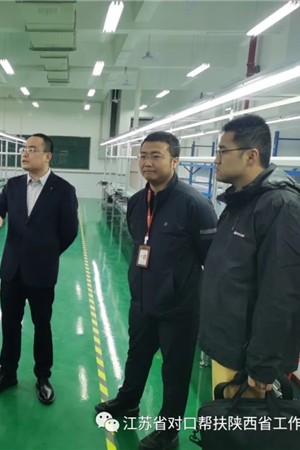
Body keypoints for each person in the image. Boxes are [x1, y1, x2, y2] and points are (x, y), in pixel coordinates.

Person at [95, 131, 218, 450]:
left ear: (175, 161)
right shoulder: (138, 202)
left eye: (156, 156)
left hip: (179, 306)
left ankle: (168, 429)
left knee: (175, 369)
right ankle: (128, 401)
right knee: (136, 355)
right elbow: (139, 242)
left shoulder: (195, 205)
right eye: (143, 155)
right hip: (142, 299)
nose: (147, 162)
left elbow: (211, 259)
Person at [200, 114, 300, 399]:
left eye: (223, 151)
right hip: (228, 346)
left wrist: (262, 364)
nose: (216, 160)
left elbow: (281, 293)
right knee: (222, 420)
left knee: (242, 424)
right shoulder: (240, 202)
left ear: (251, 156)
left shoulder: (282, 207)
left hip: (247, 361)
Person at [0, 133, 78, 404]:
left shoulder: (63, 190)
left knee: (42, 325)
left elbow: (70, 230)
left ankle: (43, 376)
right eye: (24, 149)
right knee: (10, 323)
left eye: (32, 149)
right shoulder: (13, 185)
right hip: (12, 270)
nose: (25, 153)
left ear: (48, 156)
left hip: (42, 272)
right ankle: (7, 372)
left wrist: (47, 253)